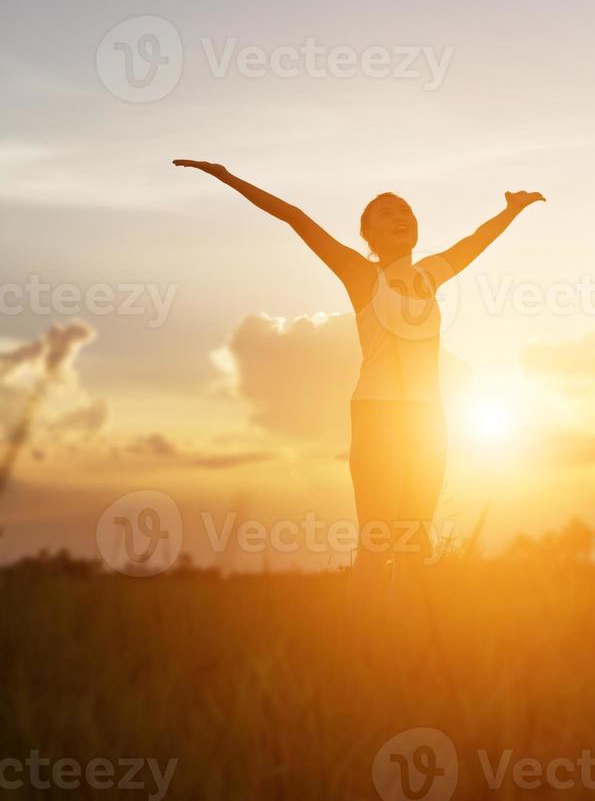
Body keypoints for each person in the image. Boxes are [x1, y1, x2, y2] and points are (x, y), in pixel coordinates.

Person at [173, 159, 545, 604]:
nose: (399, 216)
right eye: (385, 213)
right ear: (367, 235)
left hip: (430, 417)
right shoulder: (361, 275)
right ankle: (360, 632)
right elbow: (296, 217)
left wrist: (512, 210)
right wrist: (227, 177)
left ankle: (403, 638)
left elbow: (476, 242)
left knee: (415, 538)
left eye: (405, 209)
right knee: (378, 533)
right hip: (378, 410)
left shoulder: (433, 274)